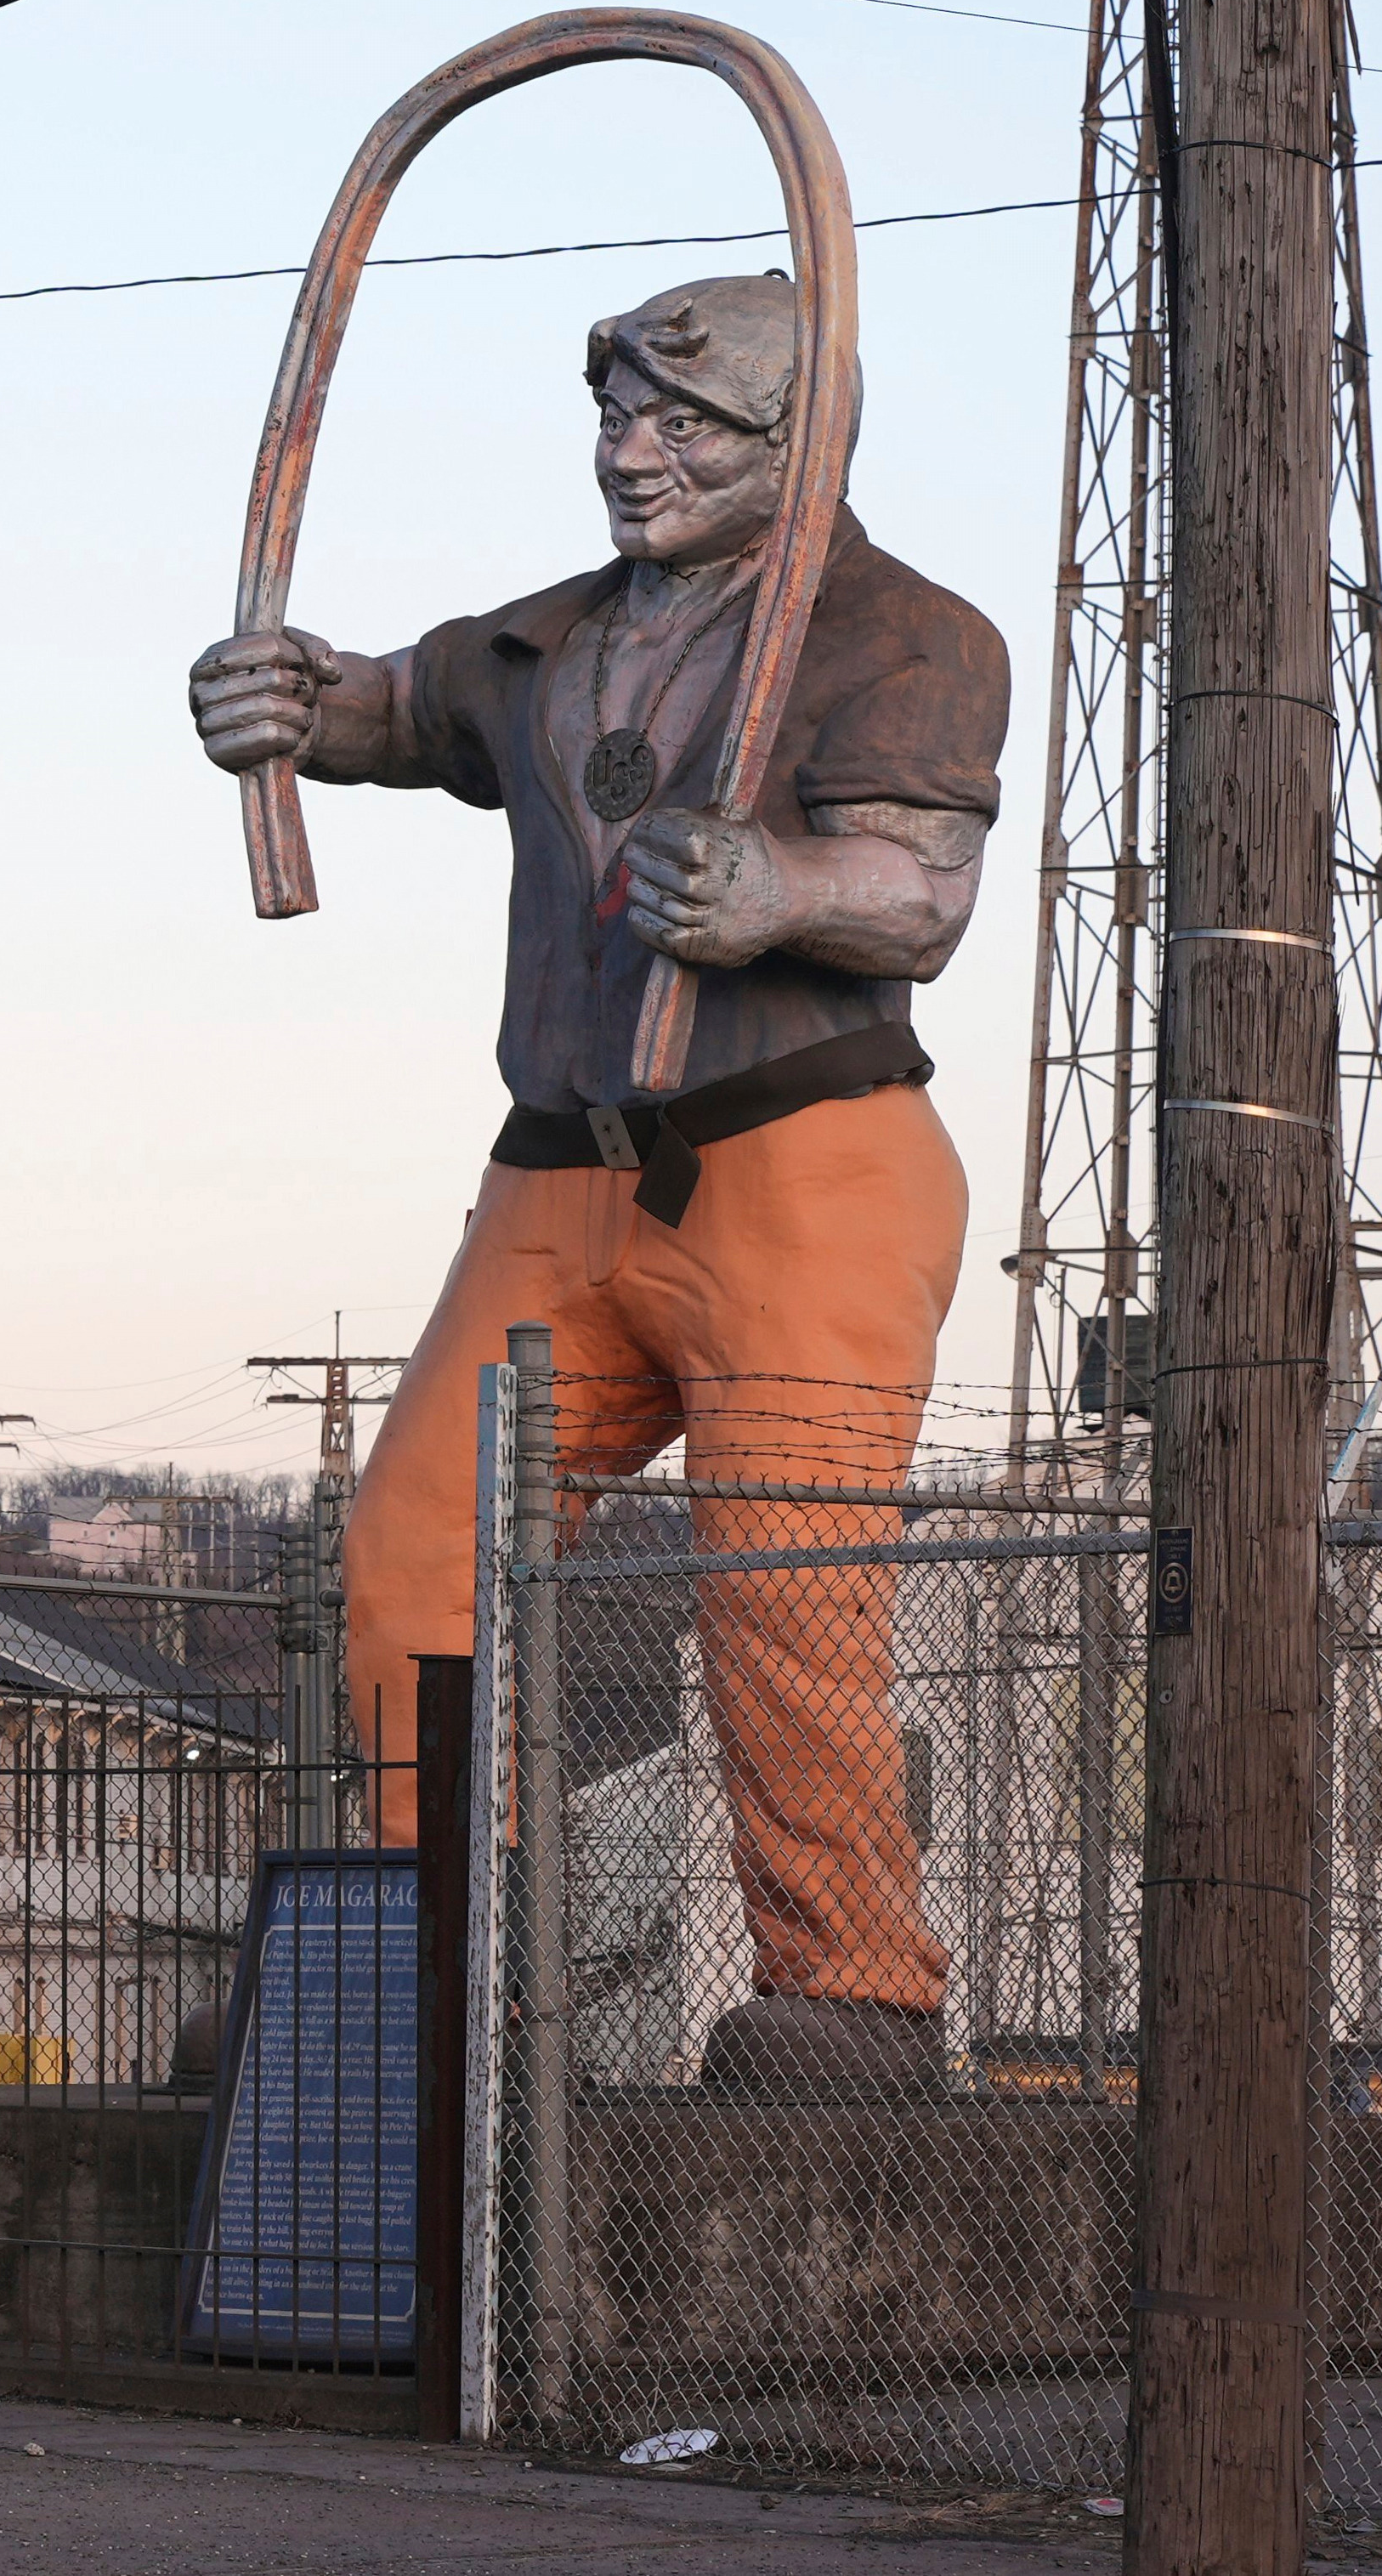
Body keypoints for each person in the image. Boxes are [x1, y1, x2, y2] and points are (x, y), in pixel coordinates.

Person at [186, 269, 1007, 2095]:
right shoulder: (544, 640)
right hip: (557, 1175)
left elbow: (922, 893)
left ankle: (852, 1994)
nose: (631, 456)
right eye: (617, 417)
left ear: (797, 443)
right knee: (411, 1551)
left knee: (783, 1592)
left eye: (681, 425)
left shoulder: (907, 633)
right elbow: (395, 707)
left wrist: (792, 893)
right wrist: (283, 696)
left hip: (804, 1159)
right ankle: (414, 1970)